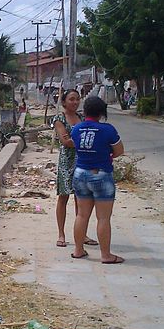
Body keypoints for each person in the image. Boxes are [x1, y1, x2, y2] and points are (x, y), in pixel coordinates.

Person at [70, 96, 125, 264]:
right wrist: (107, 155)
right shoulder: (108, 130)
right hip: (101, 174)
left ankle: (78, 250)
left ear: (85, 111)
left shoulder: (76, 129)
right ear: (102, 112)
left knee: (81, 215)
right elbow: (119, 151)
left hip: (80, 173)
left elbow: (77, 147)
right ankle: (106, 255)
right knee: (103, 218)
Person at [51, 90, 96, 248]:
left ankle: (81, 234)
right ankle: (61, 234)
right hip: (67, 162)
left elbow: (74, 139)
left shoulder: (83, 118)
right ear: (64, 102)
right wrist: (85, 143)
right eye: (71, 99)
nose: (75, 102)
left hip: (83, 161)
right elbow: (66, 142)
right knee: (63, 197)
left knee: (81, 199)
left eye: (77, 99)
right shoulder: (59, 119)